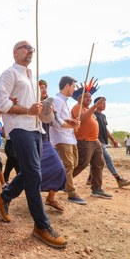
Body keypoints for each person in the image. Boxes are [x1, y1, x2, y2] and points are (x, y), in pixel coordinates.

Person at [0, 40, 67, 248]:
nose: (30, 51)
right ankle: (41, 226)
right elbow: (1, 104)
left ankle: (4, 197)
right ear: (15, 52)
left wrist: (46, 110)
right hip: (19, 128)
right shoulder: (9, 74)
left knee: (31, 172)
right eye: (26, 47)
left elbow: (42, 116)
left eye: (32, 49)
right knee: (34, 175)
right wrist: (27, 110)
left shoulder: (32, 79)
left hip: (37, 130)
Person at [71, 79, 112, 199]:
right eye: (86, 97)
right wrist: (95, 105)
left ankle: (97, 189)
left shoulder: (89, 109)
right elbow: (82, 119)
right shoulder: (77, 107)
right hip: (84, 141)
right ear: (80, 99)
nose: (89, 98)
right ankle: (63, 181)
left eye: (90, 97)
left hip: (95, 141)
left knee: (99, 163)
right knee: (82, 164)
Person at [49, 76, 84, 205]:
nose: (74, 90)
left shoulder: (64, 101)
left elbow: (63, 120)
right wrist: (73, 125)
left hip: (70, 138)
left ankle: (58, 187)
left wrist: (72, 124)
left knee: (73, 164)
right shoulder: (57, 100)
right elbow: (56, 123)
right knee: (69, 166)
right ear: (67, 86)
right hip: (61, 138)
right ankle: (71, 193)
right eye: (73, 86)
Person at [86, 97, 130, 188]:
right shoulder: (93, 114)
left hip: (102, 141)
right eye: (103, 103)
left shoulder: (103, 116)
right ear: (97, 104)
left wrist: (112, 140)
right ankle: (118, 179)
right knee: (108, 159)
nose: (105, 104)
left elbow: (105, 129)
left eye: (105, 103)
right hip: (97, 141)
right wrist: (97, 140)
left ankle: (90, 179)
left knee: (95, 161)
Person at [38, 80, 68, 212]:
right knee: (29, 173)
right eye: (41, 88)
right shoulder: (31, 104)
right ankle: (6, 197)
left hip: (45, 141)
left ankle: (51, 197)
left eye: (45, 88)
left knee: (60, 168)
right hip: (32, 140)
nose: (44, 90)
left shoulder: (50, 106)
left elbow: (58, 122)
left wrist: (70, 123)